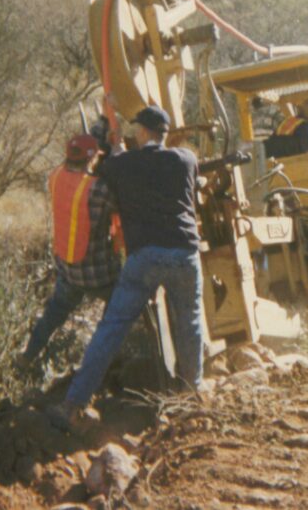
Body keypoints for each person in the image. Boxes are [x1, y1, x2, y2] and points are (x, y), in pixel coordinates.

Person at [49, 105, 204, 429]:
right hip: (183, 253)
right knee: (189, 323)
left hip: (143, 257)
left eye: (136, 129)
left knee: (111, 328)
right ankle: (192, 399)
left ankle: (72, 404)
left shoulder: (123, 164)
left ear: (144, 132)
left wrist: (109, 133)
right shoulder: (186, 159)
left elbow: (104, 165)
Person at [16, 134, 122, 370]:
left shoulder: (54, 177)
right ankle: (103, 362)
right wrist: (117, 162)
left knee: (54, 314)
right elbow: (121, 204)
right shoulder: (97, 189)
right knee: (123, 306)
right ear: (92, 158)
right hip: (99, 275)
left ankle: (27, 356)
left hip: (68, 268)